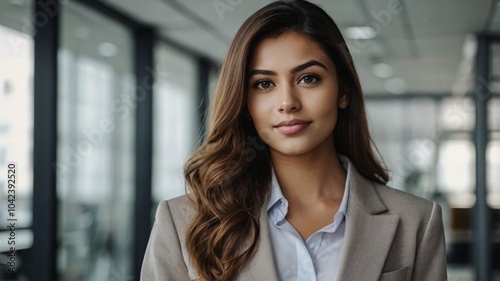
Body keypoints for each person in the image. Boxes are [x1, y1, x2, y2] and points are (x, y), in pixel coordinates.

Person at [141, 1, 447, 280]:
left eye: (308, 78)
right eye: (263, 84)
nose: (287, 102)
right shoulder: (183, 221)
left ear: (343, 92)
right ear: (244, 103)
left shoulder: (415, 220)